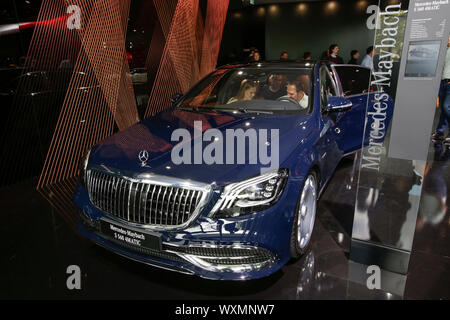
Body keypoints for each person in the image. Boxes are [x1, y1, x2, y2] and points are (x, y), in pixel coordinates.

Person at [431, 36, 450, 141]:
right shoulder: (444, 51)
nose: (447, 39)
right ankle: (440, 132)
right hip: (442, 83)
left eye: (449, 38)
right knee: (443, 109)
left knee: (446, 106)